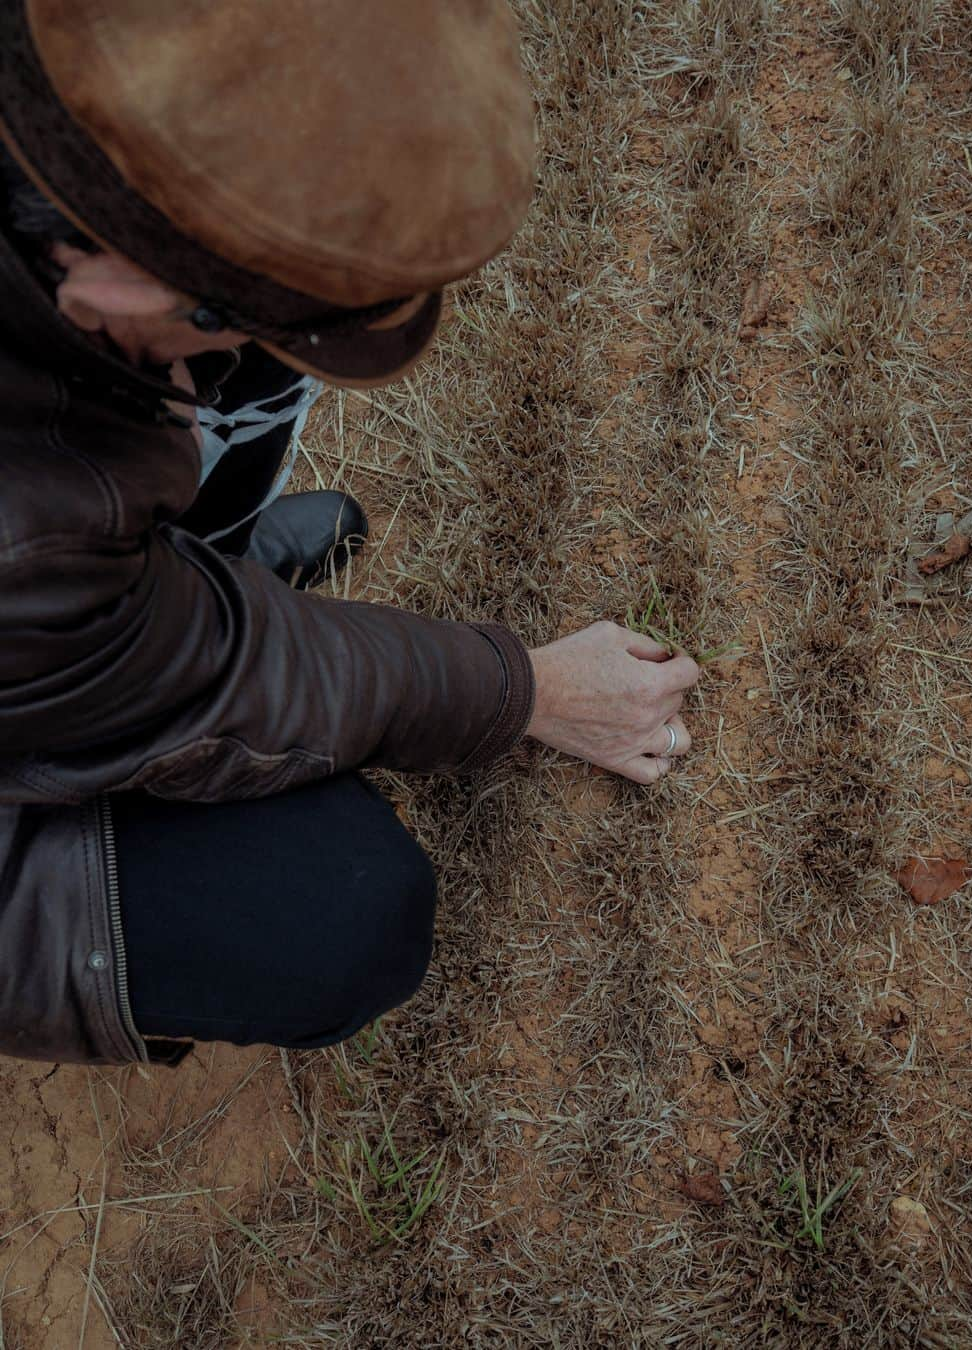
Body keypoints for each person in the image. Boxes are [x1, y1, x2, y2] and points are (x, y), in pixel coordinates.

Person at [0, 0, 699, 1067]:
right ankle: (141, 612)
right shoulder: (35, 525)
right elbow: (234, 678)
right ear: (112, 281)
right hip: (40, 611)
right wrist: (528, 690)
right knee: (334, 906)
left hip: (54, 598)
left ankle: (167, 583)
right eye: (214, 326)